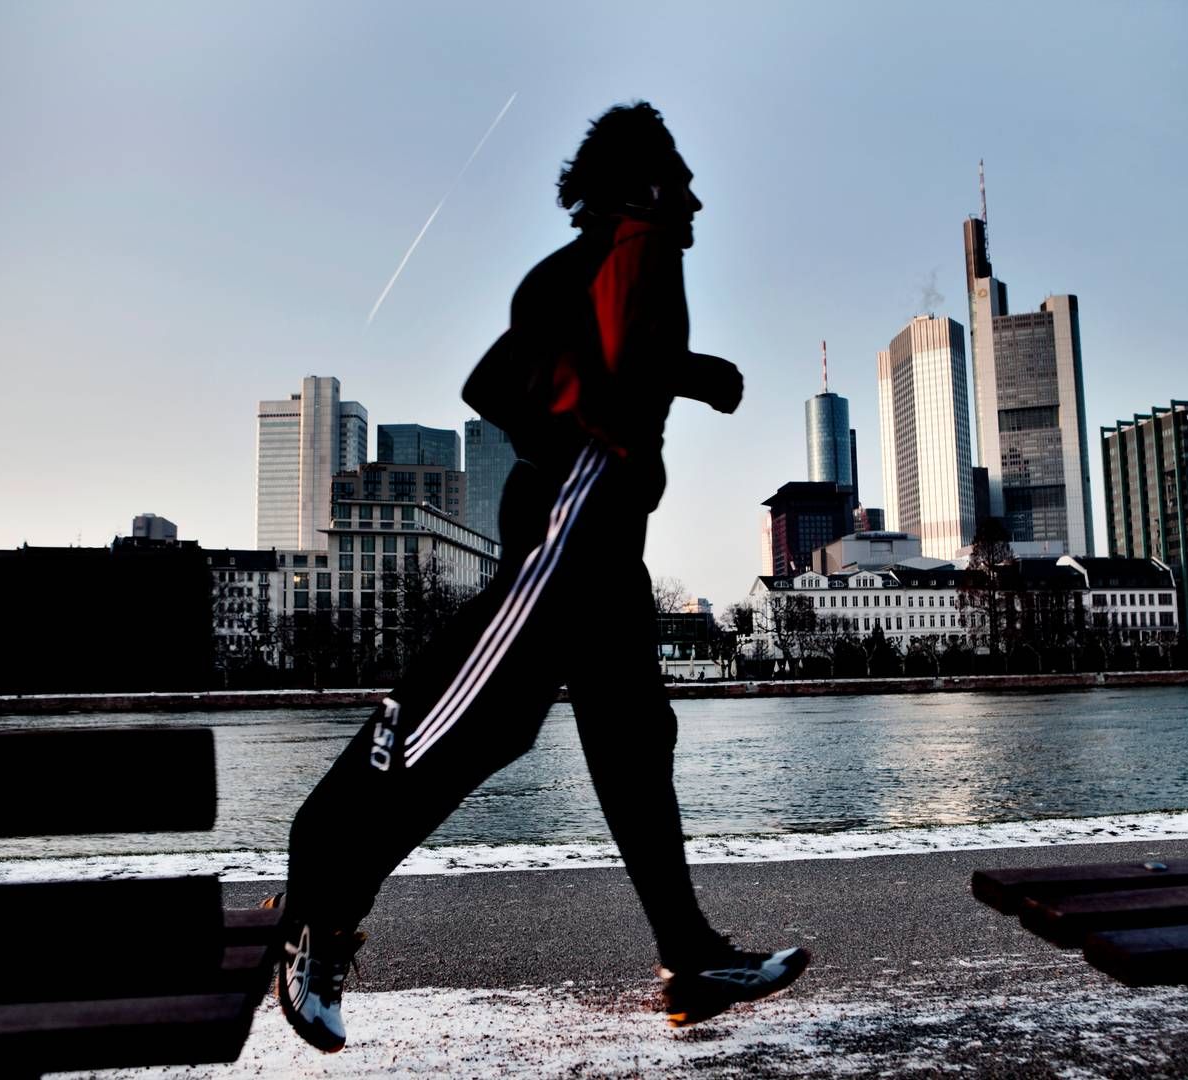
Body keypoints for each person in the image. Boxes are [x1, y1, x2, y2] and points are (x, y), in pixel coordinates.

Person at [268, 101, 809, 1054]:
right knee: (466, 718)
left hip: (606, 537)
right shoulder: (611, 250)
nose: (694, 194)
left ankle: (689, 957)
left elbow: (620, 359)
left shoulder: (627, 253)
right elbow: (496, 382)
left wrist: (682, 375)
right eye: (676, 175)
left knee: (636, 740)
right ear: (637, 183)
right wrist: (601, 413)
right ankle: (319, 907)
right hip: (569, 521)